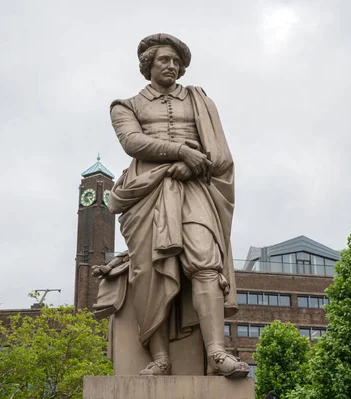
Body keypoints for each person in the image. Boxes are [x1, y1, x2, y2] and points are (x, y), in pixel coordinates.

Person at [107, 33, 248, 378]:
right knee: (148, 274)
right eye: (163, 60)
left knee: (205, 262)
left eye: (176, 61)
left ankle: (216, 352)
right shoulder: (125, 106)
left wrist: (192, 164)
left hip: (194, 189)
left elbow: (219, 150)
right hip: (146, 195)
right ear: (148, 65)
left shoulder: (199, 100)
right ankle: (159, 358)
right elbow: (133, 142)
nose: (171, 66)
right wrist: (181, 152)